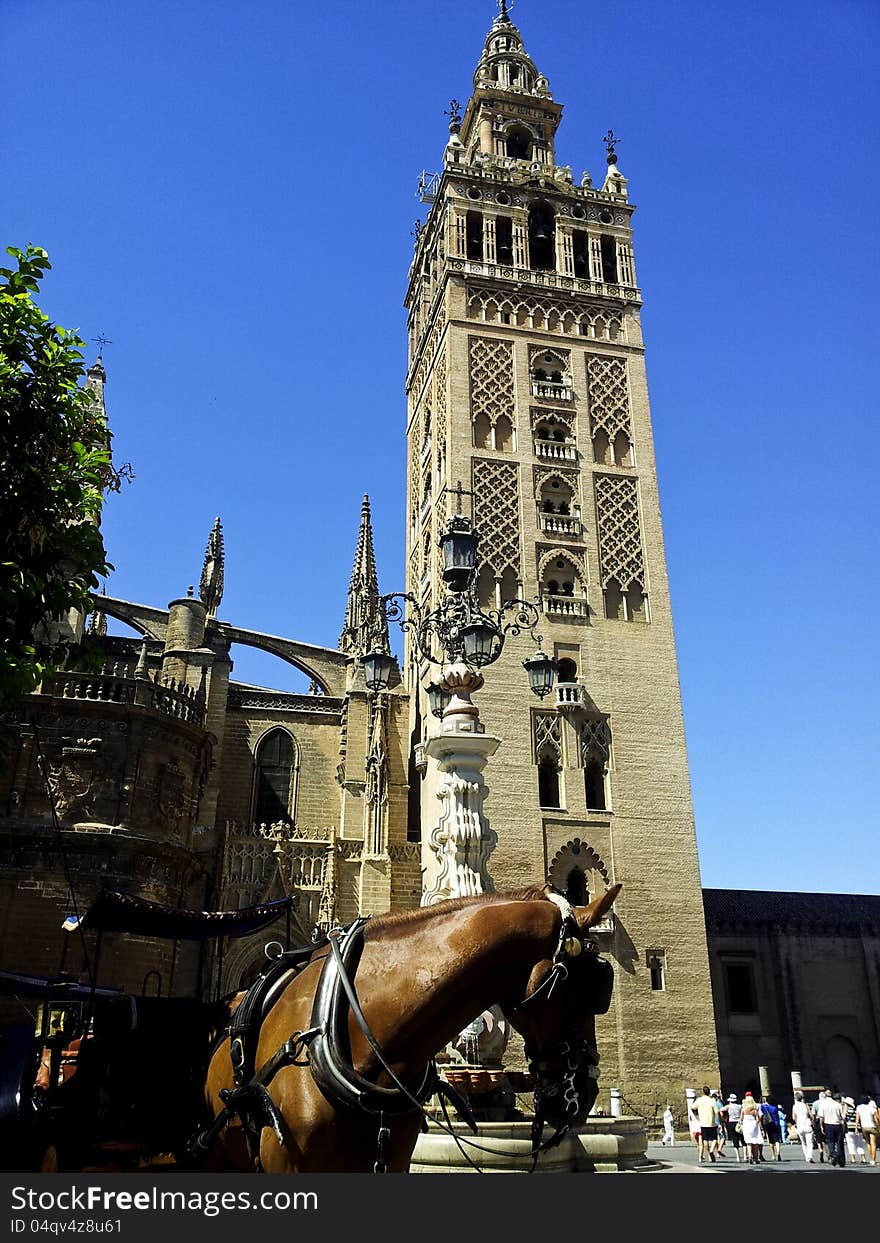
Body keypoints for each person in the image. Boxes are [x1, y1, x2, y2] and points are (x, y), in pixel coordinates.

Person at [815, 1089, 846, 1167]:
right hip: (838, 1124)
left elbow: (821, 1117)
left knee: (830, 1142)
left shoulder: (823, 1104)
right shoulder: (837, 1104)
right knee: (839, 1143)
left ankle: (833, 1154)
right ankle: (841, 1159)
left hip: (828, 1125)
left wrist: (821, 1126)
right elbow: (842, 1116)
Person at [693, 1086, 719, 1163]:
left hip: (703, 1123)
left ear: (703, 1092)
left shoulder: (699, 1100)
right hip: (712, 1123)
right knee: (715, 1139)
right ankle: (711, 1151)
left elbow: (692, 1107)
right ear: (709, 1092)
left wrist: (696, 1115)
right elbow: (717, 1112)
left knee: (705, 1140)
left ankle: (708, 1154)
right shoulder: (712, 1101)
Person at [854, 1094, 879, 1166]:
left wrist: (856, 1128)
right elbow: (876, 1119)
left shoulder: (859, 1107)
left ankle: (871, 1157)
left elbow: (857, 1118)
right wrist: (878, 1127)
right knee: (873, 1143)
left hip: (864, 1127)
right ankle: (873, 1159)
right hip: (872, 1126)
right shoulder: (872, 1108)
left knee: (868, 1142)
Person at [740, 1090, 763, 1165]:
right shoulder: (754, 1107)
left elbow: (741, 1118)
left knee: (748, 1142)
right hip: (754, 1124)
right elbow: (758, 1119)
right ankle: (756, 1158)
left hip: (746, 1124)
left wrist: (741, 1123)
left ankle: (750, 1156)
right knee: (755, 1142)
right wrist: (761, 1128)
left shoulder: (744, 1107)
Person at [792, 1091, 815, 1163]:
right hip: (807, 1124)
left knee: (803, 1143)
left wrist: (796, 1121)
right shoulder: (805, 1105)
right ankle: (810, 1156)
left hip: (800, 1125)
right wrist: (812, 1121)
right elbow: (811, 1115)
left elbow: (793, 1117)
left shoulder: (794, 1106)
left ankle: (806, 1157)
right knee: (810, 1142)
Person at [723, 1092, 745, 1163]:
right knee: (743, 1139)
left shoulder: (728, 1106)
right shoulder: (740, 1106)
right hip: (739, 1122)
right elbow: (742, 1114)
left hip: (731, 1122)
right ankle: (745, 1156)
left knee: (735, 1139)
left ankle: (738, 1157)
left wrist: (724, 1117)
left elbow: (720, 1110)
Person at [760, 1094, 783, 1161]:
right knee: (777, 1140)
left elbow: (761, 1109)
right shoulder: (775, 1107)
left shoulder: (764, 1107)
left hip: (768, 1124)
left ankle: (773, 1154)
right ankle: (778, 1153)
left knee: (771, 1140)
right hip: (776, 1124)